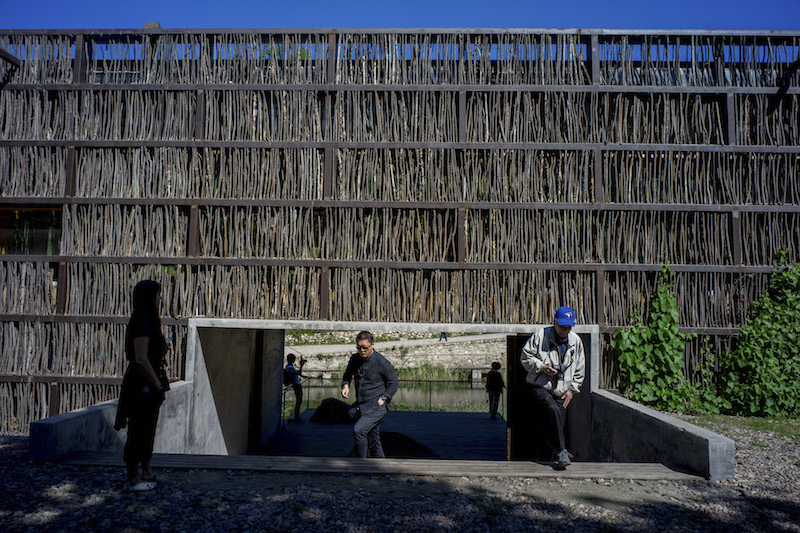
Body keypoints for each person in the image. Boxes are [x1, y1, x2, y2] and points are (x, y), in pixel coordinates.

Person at [114, 280, 170, 492]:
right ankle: (132, 476)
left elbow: (158, 352)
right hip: (141, 383)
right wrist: (156, 383)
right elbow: (141, 359)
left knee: (148, 429)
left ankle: (146, 470)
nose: (159, 298)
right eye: (157, 295)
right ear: (149, 297)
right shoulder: (141, 322)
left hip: (151, 381)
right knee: (138, 429)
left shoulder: (150, 321)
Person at [520, 306, 585, 469]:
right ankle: (563, 451)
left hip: (562, 389)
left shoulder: (575, 341)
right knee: (551, 408)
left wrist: (572, 390)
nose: (565, 330)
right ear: (554, 322)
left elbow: (580, 367)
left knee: (555, 426)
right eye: (562, 326)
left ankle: (547, 460)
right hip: (539, 385)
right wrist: (542, 367)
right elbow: (525, 357)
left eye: (568, 327)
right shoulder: (541, 335)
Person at [341, 331, 399, 458]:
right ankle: (381, 467)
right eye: (359, 347)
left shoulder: (382, 362)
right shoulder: (355, 359)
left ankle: (361, 465)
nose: (362, 350)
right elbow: (347, 374)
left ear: (372, 345)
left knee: (359, 430)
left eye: (364, 348)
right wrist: (346, 385)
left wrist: (384, 398)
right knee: (374, 440)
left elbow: (394, 382)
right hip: (362, 405)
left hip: (377, 406)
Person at [284, 353, 306, 422]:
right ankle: (297, 416)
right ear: (292, 360)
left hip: (297, 384)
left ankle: (297, 416)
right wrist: (301, 365)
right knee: (299, 400)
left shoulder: (289, 367)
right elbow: (298, 373)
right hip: (296, 385)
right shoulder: (290, 368)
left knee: (299, 400)